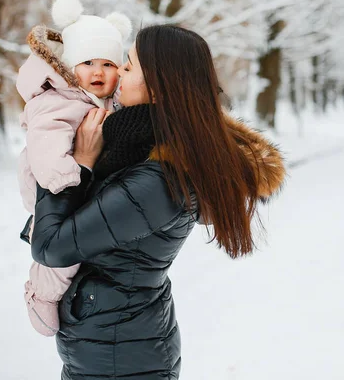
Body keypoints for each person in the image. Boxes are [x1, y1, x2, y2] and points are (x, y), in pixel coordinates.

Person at [23, 24, 286, 379]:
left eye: (127, 67)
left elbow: (52, 246)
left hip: (122, 359)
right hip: (115, 345)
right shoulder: (137, 145)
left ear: (159, 90)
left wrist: (76, 165)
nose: (116, 76)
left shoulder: (158, 181)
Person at [16, 0, 132, 336]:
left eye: (108, 64)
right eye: (88, 63)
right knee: (66, 250)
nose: (99, 71)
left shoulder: (104, 100)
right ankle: (41, 293)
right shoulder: (56, 101)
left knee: (81, 240)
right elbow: (45, 144)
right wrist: (69, 178)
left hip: (79, 181)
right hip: (53, 183)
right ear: (69, 65)